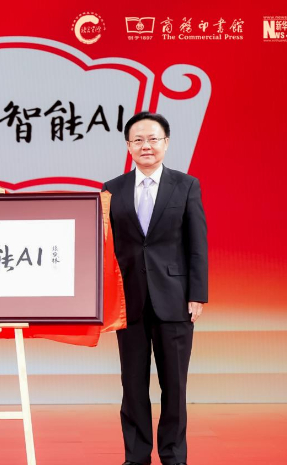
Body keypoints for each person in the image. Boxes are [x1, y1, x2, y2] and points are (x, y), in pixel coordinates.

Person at [102, 112, 208, 465]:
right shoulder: (111, 189)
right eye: (138, 140)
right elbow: (104, 245)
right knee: (132, 385)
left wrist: (197, 294)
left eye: (153, 139)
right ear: (128, 146)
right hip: (128, 301)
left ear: (166, 143)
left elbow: (197, 243)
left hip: (175, 299)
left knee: (174, 386)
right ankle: (136, 457)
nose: (146, 146)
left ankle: (173, 456)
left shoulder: (186, 185)